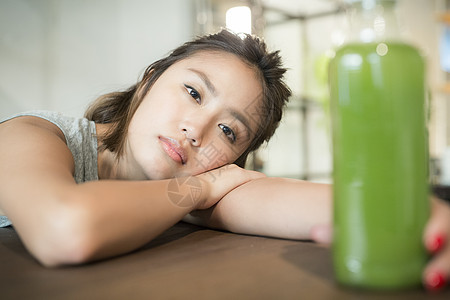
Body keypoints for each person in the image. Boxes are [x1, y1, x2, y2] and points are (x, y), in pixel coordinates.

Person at [0, 30, 449, 292]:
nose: (197, 131)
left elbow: (308, 203)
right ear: (149, 80)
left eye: (228, 131)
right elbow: (65, 230)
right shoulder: (32, 134)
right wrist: (201, 187)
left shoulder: (203, 181)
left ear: (237, 156)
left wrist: (420, 212)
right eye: (193, 92)